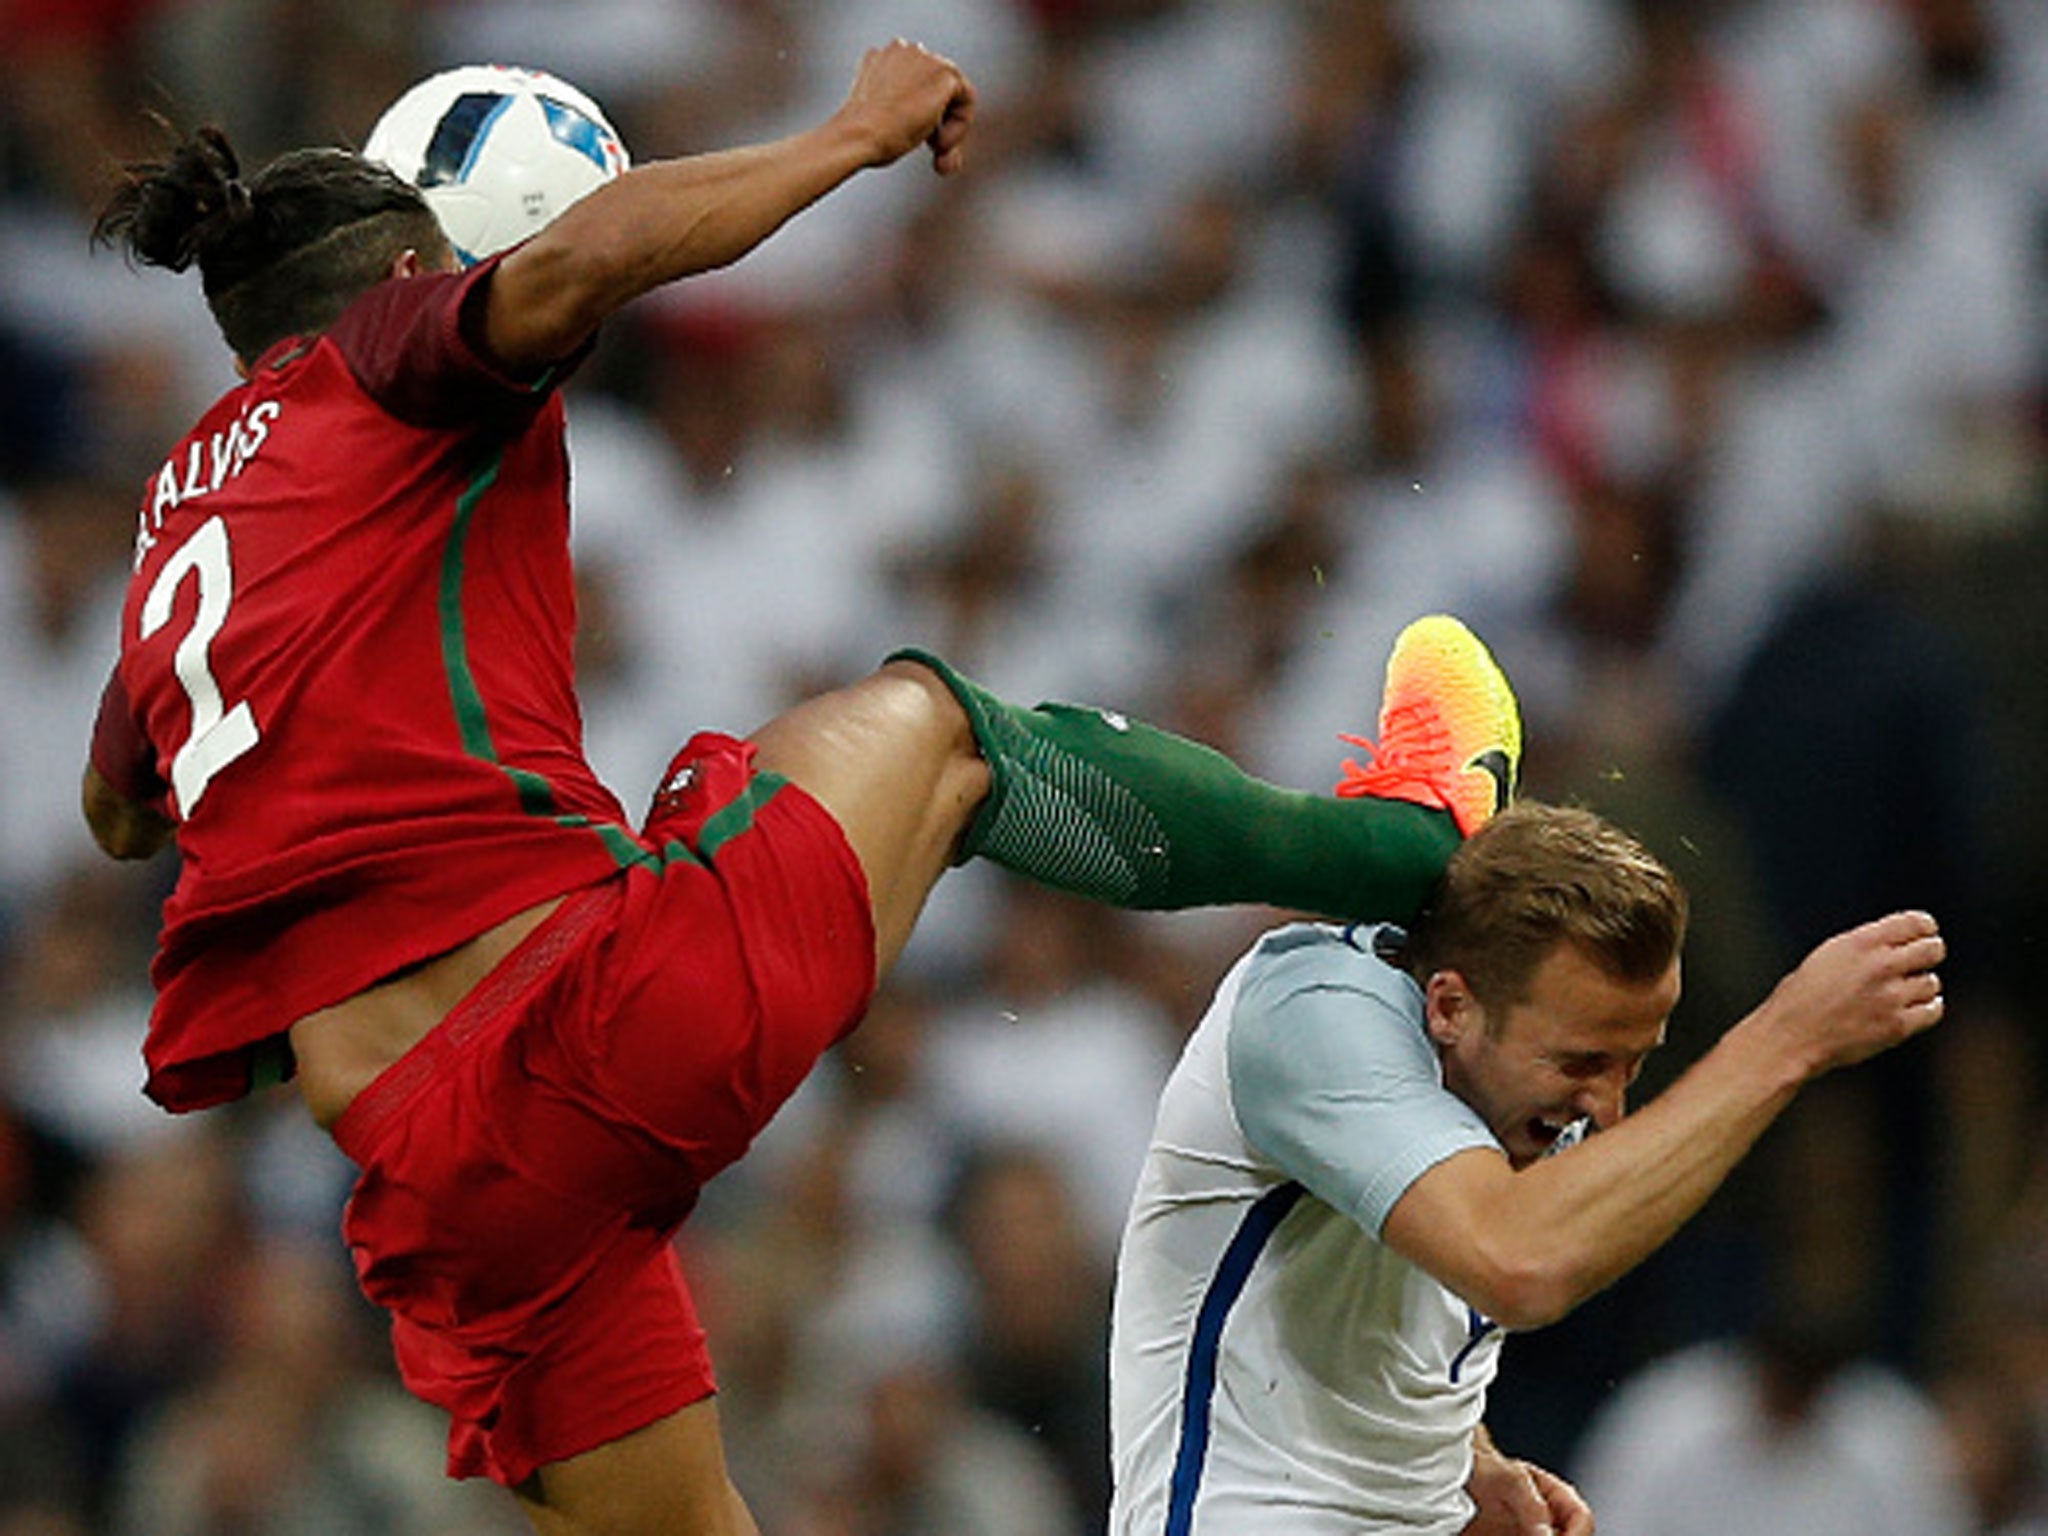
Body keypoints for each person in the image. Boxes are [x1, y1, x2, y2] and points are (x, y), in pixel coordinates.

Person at [79, 40, 1526, 1536]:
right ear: (399, 269)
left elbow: (118, 809)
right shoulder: (386, 361)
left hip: (434, 1189)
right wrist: (852, 133)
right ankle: (1404, 844)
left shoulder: (179, 525)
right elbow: (587, 258)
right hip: (576, 1034)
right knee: (940, 733)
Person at [1108, 801, 1946, 1536]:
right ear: (1448, 1005)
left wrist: (1463, 1465)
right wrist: (1785, 1040)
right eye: (1581, 1061)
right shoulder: (1312, 1007)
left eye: (1633, 1063)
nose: (1607, 1109)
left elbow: (1384, 1309)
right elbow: (1516, 1263)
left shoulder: (1515, 1100)